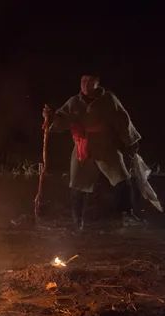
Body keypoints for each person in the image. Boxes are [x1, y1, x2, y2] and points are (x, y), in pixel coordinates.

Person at [44, 74, 143, 230]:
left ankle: (126, 215)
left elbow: (123, 119)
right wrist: (50, 118)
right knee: (77, 184)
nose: (86, 85)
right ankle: (78, 221)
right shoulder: (74, 102)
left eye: (90, 82)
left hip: (106, 146)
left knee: (122, 179)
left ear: (97, 83)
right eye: (83, 81)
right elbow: (61, 120)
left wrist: (131, 140)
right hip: (82, 147)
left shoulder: (109, 99)